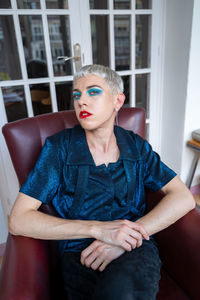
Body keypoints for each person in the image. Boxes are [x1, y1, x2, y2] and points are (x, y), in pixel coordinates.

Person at [9, 64, 195, 300]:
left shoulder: (136, 147)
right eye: (77, 94)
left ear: (118, 100)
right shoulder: (59, 149)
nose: (81, 102)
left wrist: (127, 237)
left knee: (124, 292)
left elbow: (182, 197)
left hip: (134, 248)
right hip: (80, 253)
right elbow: (18, 219)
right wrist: (98, 230)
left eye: (93, 92)